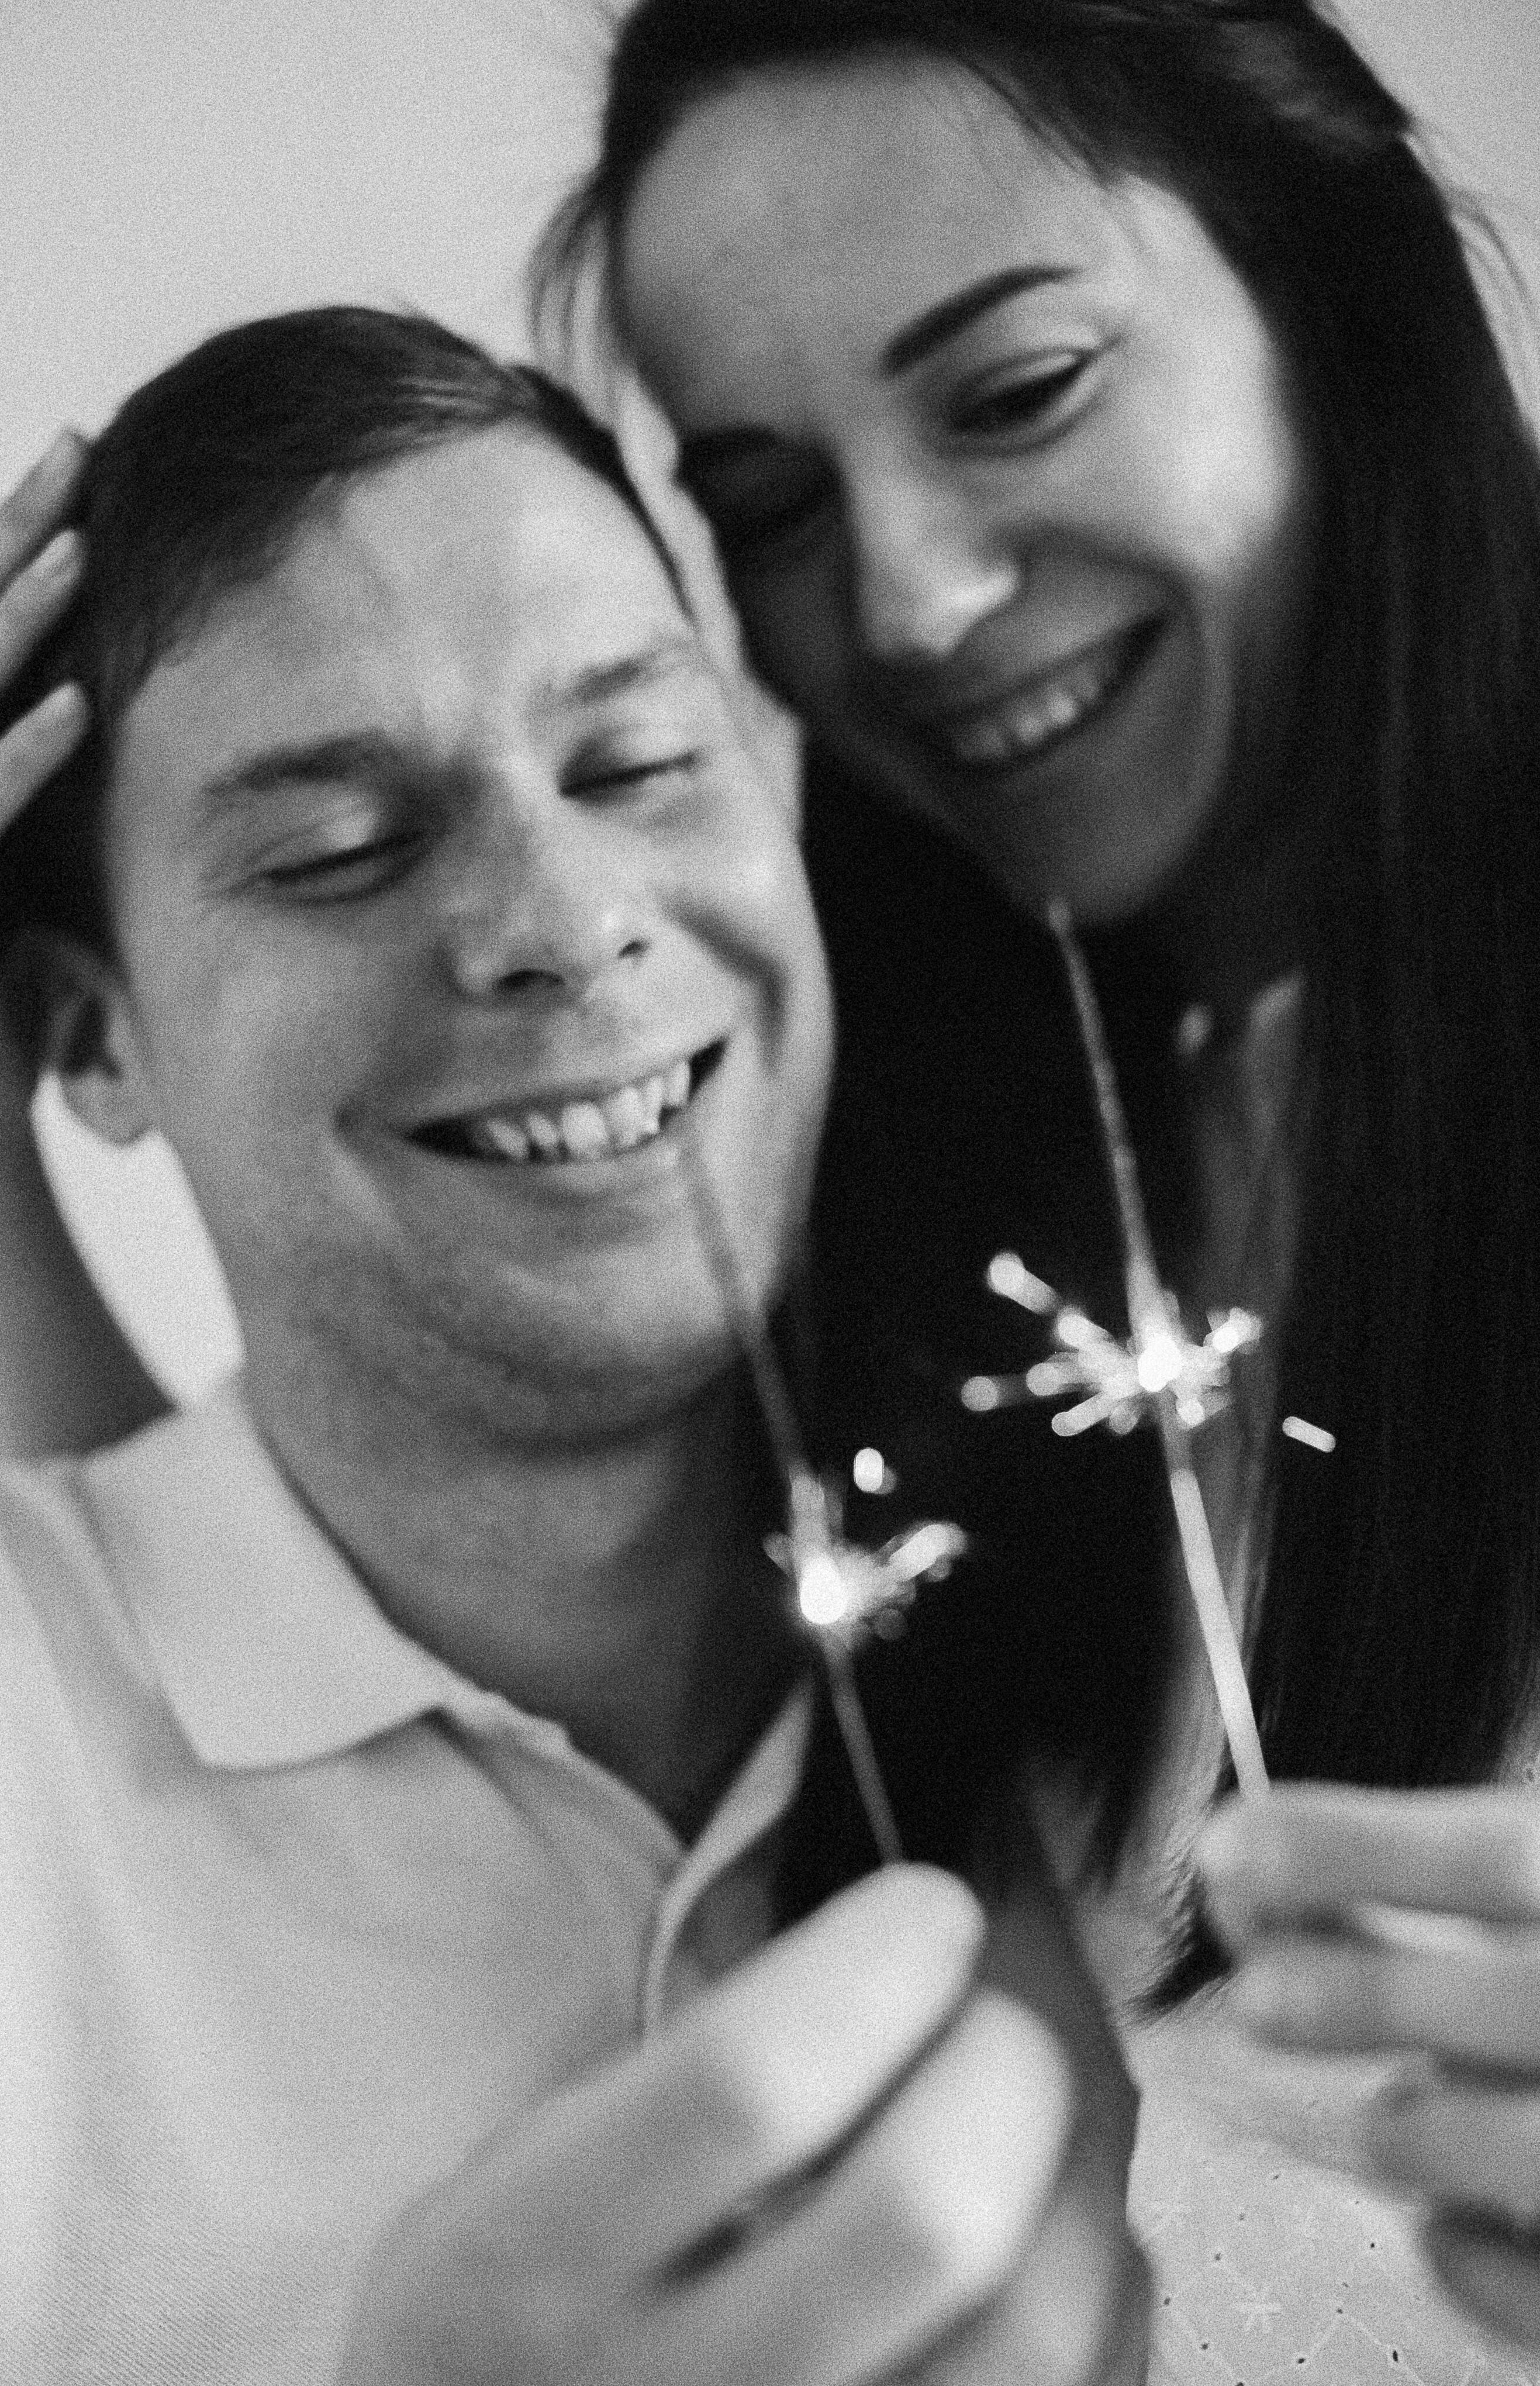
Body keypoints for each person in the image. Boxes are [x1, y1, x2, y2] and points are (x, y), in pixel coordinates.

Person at [0, 305, 1148, 2382]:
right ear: (88, 1033)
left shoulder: (1169, 1617)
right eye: (341, 851)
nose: (563, 911)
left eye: (637, 761)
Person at [520, 0, 1540, 2360]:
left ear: (1326, 300)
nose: (902, 603)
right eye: (769, 503)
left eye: (1011, 391)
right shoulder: (901, 1203)